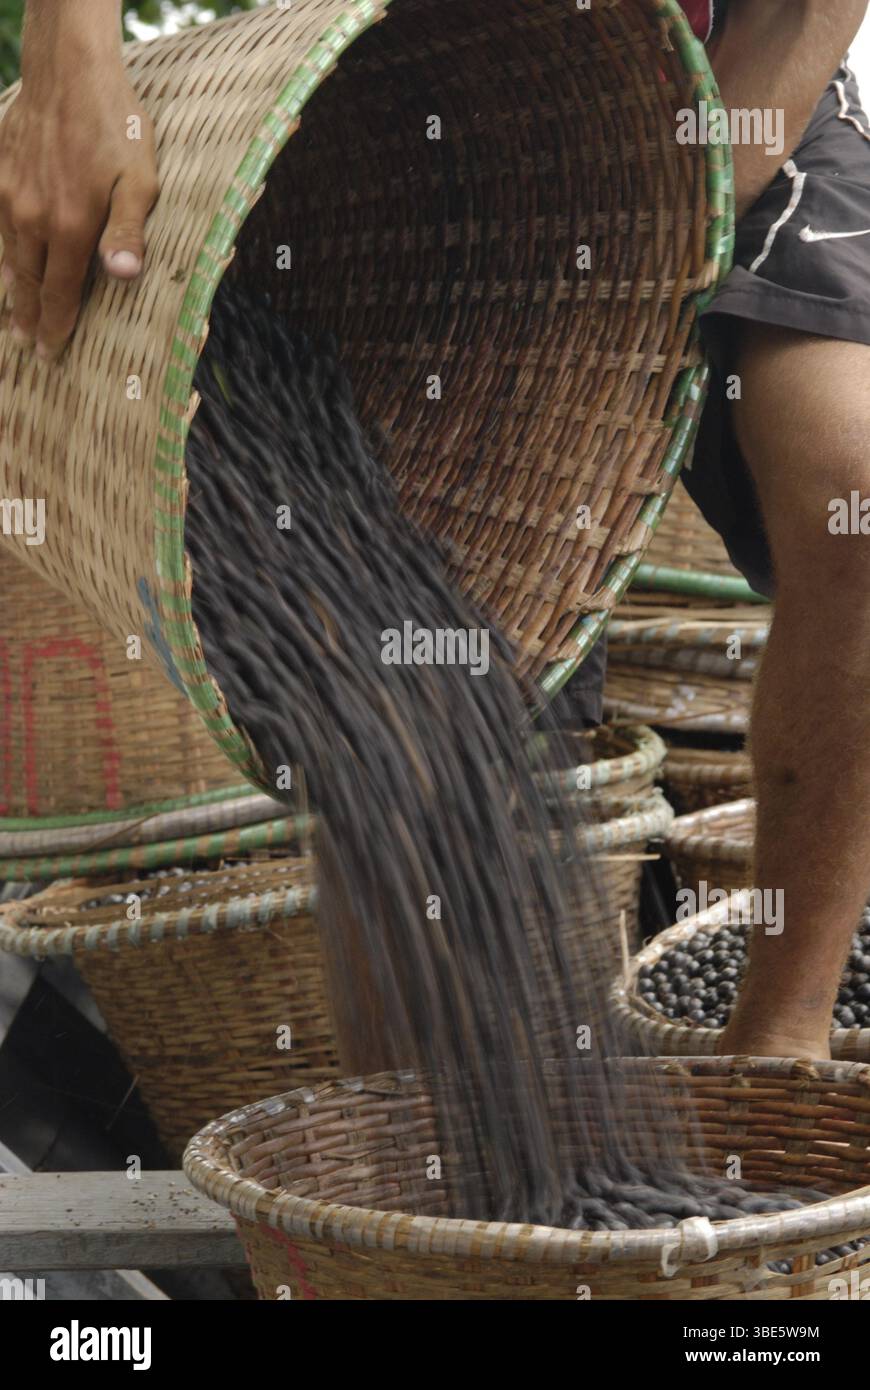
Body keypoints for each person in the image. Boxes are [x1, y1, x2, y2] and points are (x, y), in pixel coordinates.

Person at [2, 0, 869, 1060]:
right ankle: (430, 1115)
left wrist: (643, 238)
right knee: (419, 648)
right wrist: (69, 62)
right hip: (399, 79)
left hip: (726, 73)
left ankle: (781, 1042)